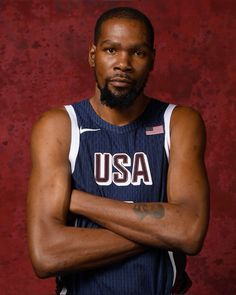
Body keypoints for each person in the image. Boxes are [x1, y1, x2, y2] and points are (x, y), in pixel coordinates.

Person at [27, 7, 210, 295]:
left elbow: (189, 231)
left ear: (152, 60)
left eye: (137, 53)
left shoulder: (178, 122)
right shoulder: (60, 127)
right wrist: (162, 231)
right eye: (111, 50)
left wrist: (79, 201)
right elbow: (47, 254)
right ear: (92, 55)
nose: (123, 63)